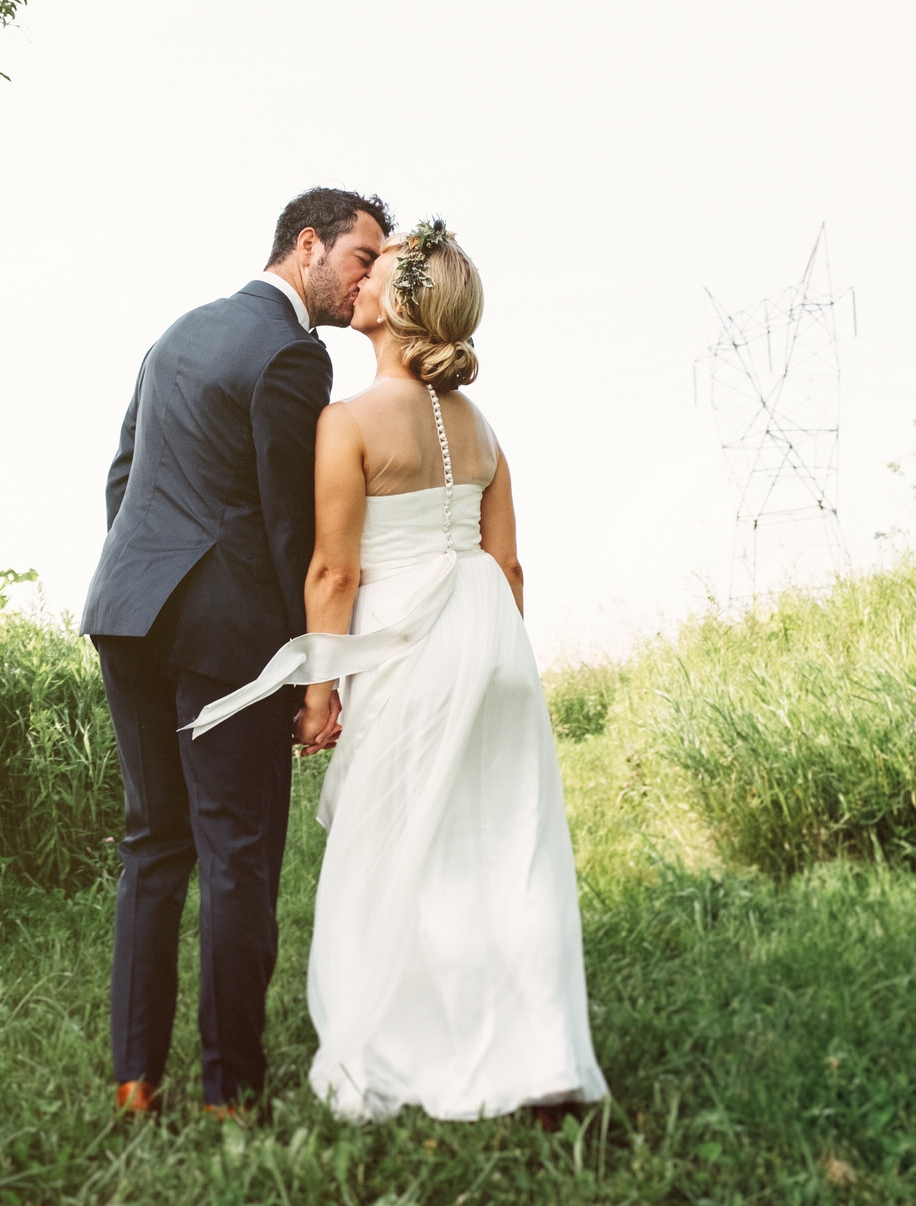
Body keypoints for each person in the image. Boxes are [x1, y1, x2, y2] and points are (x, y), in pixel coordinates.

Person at [188, 221, 608, 1122]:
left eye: (381, 272)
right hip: (491, 644)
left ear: (397, 308)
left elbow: (334, 573)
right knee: (506, 849)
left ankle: (395, 1052)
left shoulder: (348, 423)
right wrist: (492, 659)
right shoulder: (483, 428)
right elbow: (510, 568)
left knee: (388, 848)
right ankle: (540, 1062)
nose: (365, 277)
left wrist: (317, 691)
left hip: (405, 650)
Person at [80, 188, 392, 1115]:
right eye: (362, 256)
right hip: (227, 633)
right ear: (309, 244)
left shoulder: (175, 333)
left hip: (127, 609)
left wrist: (146, 584)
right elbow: (292, 526)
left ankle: (135, 1081)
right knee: (238, 852)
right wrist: (310, 666)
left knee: (153, 843)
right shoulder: (292, 357)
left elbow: (123, 477)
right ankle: (231, 1090)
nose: (370, 276)